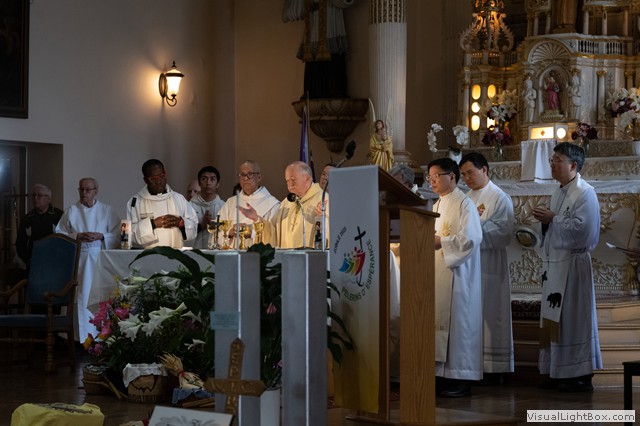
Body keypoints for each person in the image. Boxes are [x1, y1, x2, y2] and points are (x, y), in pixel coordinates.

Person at [532, 143, 602, 392]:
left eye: (557, 160)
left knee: (574, 320)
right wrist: (545, 223)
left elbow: (585, 232)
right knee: (556, 319)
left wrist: (553, 219)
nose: (552, 164)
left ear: (573, 165)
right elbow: (555, 227)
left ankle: (579, 375)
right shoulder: (558, 192)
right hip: (556, 266)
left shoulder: (585, 193)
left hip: (573, 265)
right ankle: (558, 371)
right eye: (552, 160)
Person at [428, 157, 483, 397]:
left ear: (451, 176)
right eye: (429, 177)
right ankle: (442, 375)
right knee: (440, 325)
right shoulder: (437, 205)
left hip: (459, 276)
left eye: (436, 176)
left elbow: (471, 239)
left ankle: (461, 377)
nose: (432, 181)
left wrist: (441, 242)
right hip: (439, 273)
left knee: (460, 325)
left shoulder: (464, 204)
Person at [459, 153, 515, 383]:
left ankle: (495, 369)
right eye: (463, 175)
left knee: (492, 312)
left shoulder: (499, 197)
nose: (466, 178)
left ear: (484, 169)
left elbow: (504, 230)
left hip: (490, 263)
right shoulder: (465, 198)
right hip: (470, 265)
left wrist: (471, 234)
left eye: (470, 173)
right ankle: (473, 365)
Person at [55, 178, 120, 342]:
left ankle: (101, 337)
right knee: (80, 296)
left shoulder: (107, 210)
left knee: (99, 297)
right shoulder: (71, 211)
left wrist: (101, 236)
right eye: (81, 189)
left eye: (88, 190)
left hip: (99, 259)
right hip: (79, 259)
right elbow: (59, 234)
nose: (84, 193)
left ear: (96, 191)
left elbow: (118, 234)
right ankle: (79, 337)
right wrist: (76, 236)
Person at [240, 161, 321, 248]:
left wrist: (323, 218)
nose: (290, 185)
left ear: (307, 179)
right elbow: (273, 231)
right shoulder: (287, 202)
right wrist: (256, 218)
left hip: (309, 255)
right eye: (287, 181)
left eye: (293, 180)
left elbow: (328, 231)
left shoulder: (322, 200)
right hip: (287, 255)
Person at [126, 159, 198, 249]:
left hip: (176, 254)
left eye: (161, 176)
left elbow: (194, 226)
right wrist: (153, 224)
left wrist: (180, 222)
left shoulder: (178, 199)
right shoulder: (135, 202)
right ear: (145, 180)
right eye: (153, 178)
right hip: (148, 255)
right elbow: (130, 235)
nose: (159, 181)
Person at [218, 161, 280, 245]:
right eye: (242, 174)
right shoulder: (230, 203)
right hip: (233, 251)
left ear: (259, 177)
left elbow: (275, 234)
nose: (245, 178)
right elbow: (217, 232)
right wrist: (230, 233)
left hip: (257, 251)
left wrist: (252, 233)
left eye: (250, 174)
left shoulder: (272, 204)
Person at [15, 184, 63, 269]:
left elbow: (65, 240)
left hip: (55, 262)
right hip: (34, 262)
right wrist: (28, 260)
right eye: (33, 195)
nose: (35, 198)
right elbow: (20, 243)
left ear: (48, 198)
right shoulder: (27, 219)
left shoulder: (59, 216)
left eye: (39, 195)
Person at [189, 166, 225, 249]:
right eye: (204, 179)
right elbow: (185, 233)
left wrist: (215, 226)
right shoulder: (189, 206)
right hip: (195, 250)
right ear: (199, 183)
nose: (208, 183)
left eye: (212, 179)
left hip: (217, 251)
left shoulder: (224, 207)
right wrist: (201, 226)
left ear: (217, 184)